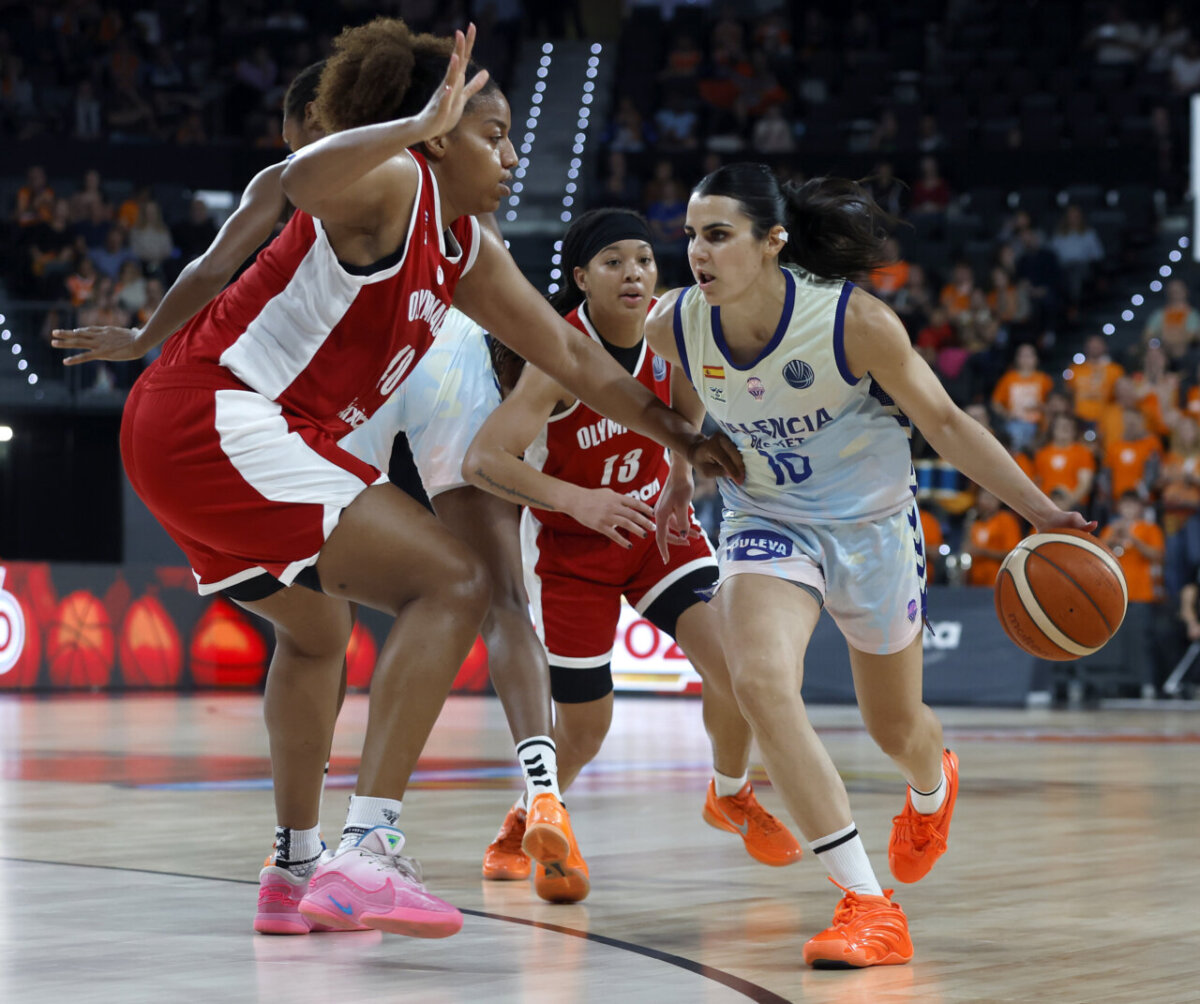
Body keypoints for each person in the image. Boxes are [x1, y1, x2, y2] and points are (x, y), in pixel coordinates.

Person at [54, 21, 741, 940]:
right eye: (489, 133)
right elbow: (294, 179)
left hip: (194, 434)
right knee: (452, 579)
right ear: (434, 130)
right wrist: (411, 125)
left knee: (315, 630)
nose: (508, 153)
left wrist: (678, 435)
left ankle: (294, 869)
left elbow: (575, 356)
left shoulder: (464, 248)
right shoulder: (391, 181)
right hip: (220, 415)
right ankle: (366, 851)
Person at [638, 162, 1091, 968]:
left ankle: (932, 787)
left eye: (717, 235)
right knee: (761, 683)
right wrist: (681, 466)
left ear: (773, 241)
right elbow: (687, 399)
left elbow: (947, 425)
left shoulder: (855, 323)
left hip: (874, 529)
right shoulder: (675, 320)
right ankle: (867, 904)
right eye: (690, 237)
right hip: (766, 518)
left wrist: (1042, 512)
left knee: (897, 729)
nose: (697, 254)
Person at [461, 208, 802, 900]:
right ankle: (524, 820)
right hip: (575, 548)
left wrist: (681, 474)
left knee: (737, 668)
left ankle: (730, 792)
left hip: (657, 536)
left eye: (645, 259)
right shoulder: (556, 357)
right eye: (614, 261)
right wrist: (574, 500)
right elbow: (483, 462)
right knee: (586, 729)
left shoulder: (672, 332)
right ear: (582, 278)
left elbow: (685, 417)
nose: (635, 273)